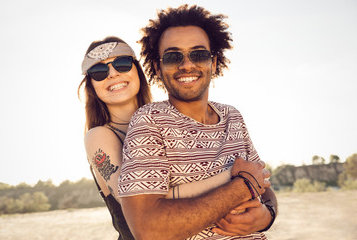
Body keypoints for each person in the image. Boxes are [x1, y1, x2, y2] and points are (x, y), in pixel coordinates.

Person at [118, 5, 277, 240]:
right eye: (173, 57)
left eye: (199, 54)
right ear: (157, 68)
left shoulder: (233, 116)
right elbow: (147, 229)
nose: (187, 65)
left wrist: (268, 217)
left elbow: (264, 185)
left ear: (213, 63)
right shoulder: (149, 121)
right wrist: (242, 186)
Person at [78, 36, 259, 240]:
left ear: (137, 70)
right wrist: (234, 177)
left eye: (122, 64)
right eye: (99, 72)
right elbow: (136, 202)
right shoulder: (99, 136)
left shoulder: (171, 120)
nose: (112, 74)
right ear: (91, 86)